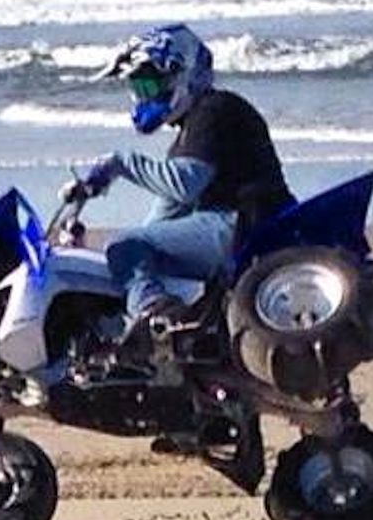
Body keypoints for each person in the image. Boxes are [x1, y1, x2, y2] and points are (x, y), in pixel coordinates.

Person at [60, 23, 295, 339]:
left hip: (243, 223)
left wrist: (120, 164)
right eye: (137, 89)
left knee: (124, 245)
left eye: (148, 85)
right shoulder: (187, 138)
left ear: (179, 72)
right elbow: (161, 218)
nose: (142, 96)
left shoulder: (215, 110)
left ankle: (157, 318)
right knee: (128, 251)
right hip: (235, 228)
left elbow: (185, 184)